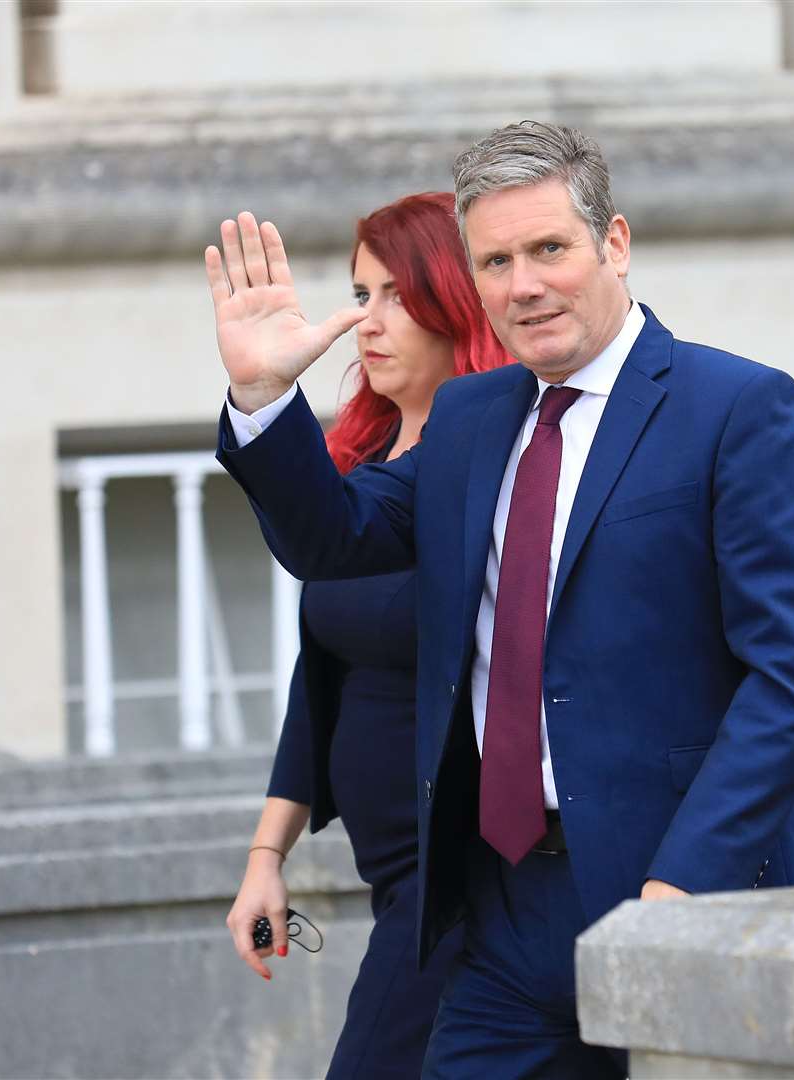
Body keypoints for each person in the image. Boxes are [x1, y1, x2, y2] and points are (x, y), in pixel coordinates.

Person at [207, 121, 794, 1078]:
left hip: (692, 897)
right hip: (503, 914)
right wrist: (261, 399)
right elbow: (332, 538)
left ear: (613, 243)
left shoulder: (738, 408)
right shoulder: (470, 416)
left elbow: (787, 679)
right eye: (495, 261)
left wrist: (679, 887)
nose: (524, 284)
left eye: (550, 248)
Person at [223, 192, 510, 1080]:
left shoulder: (499, 466)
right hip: (392, 885)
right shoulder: (362, 467)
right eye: (358, 292)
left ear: (455, 306)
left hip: (467, 882)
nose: (363, 322)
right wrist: (266, 854)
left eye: (394, 295)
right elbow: (326, 675)